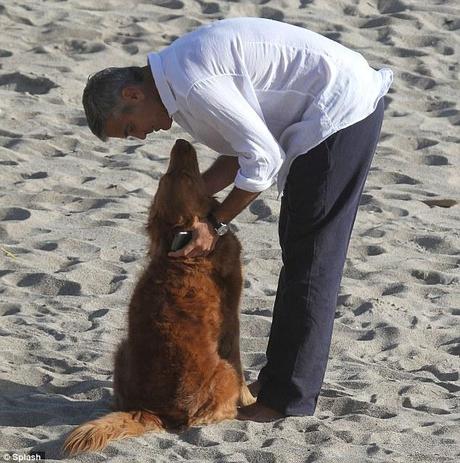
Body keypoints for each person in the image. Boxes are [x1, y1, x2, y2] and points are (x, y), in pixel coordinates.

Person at [82, 17, 393, 422]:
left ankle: (286, 400)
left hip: (340, 112)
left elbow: (263, 158)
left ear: (132, 94)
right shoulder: (179, 80)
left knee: (312, 262)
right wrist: (200, 201)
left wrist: (215, 223)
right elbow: (243, 147)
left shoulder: (192, 86)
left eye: (128, 128)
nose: (139, 137)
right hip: (325, 109)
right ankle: (279, 382)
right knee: (301, 255)